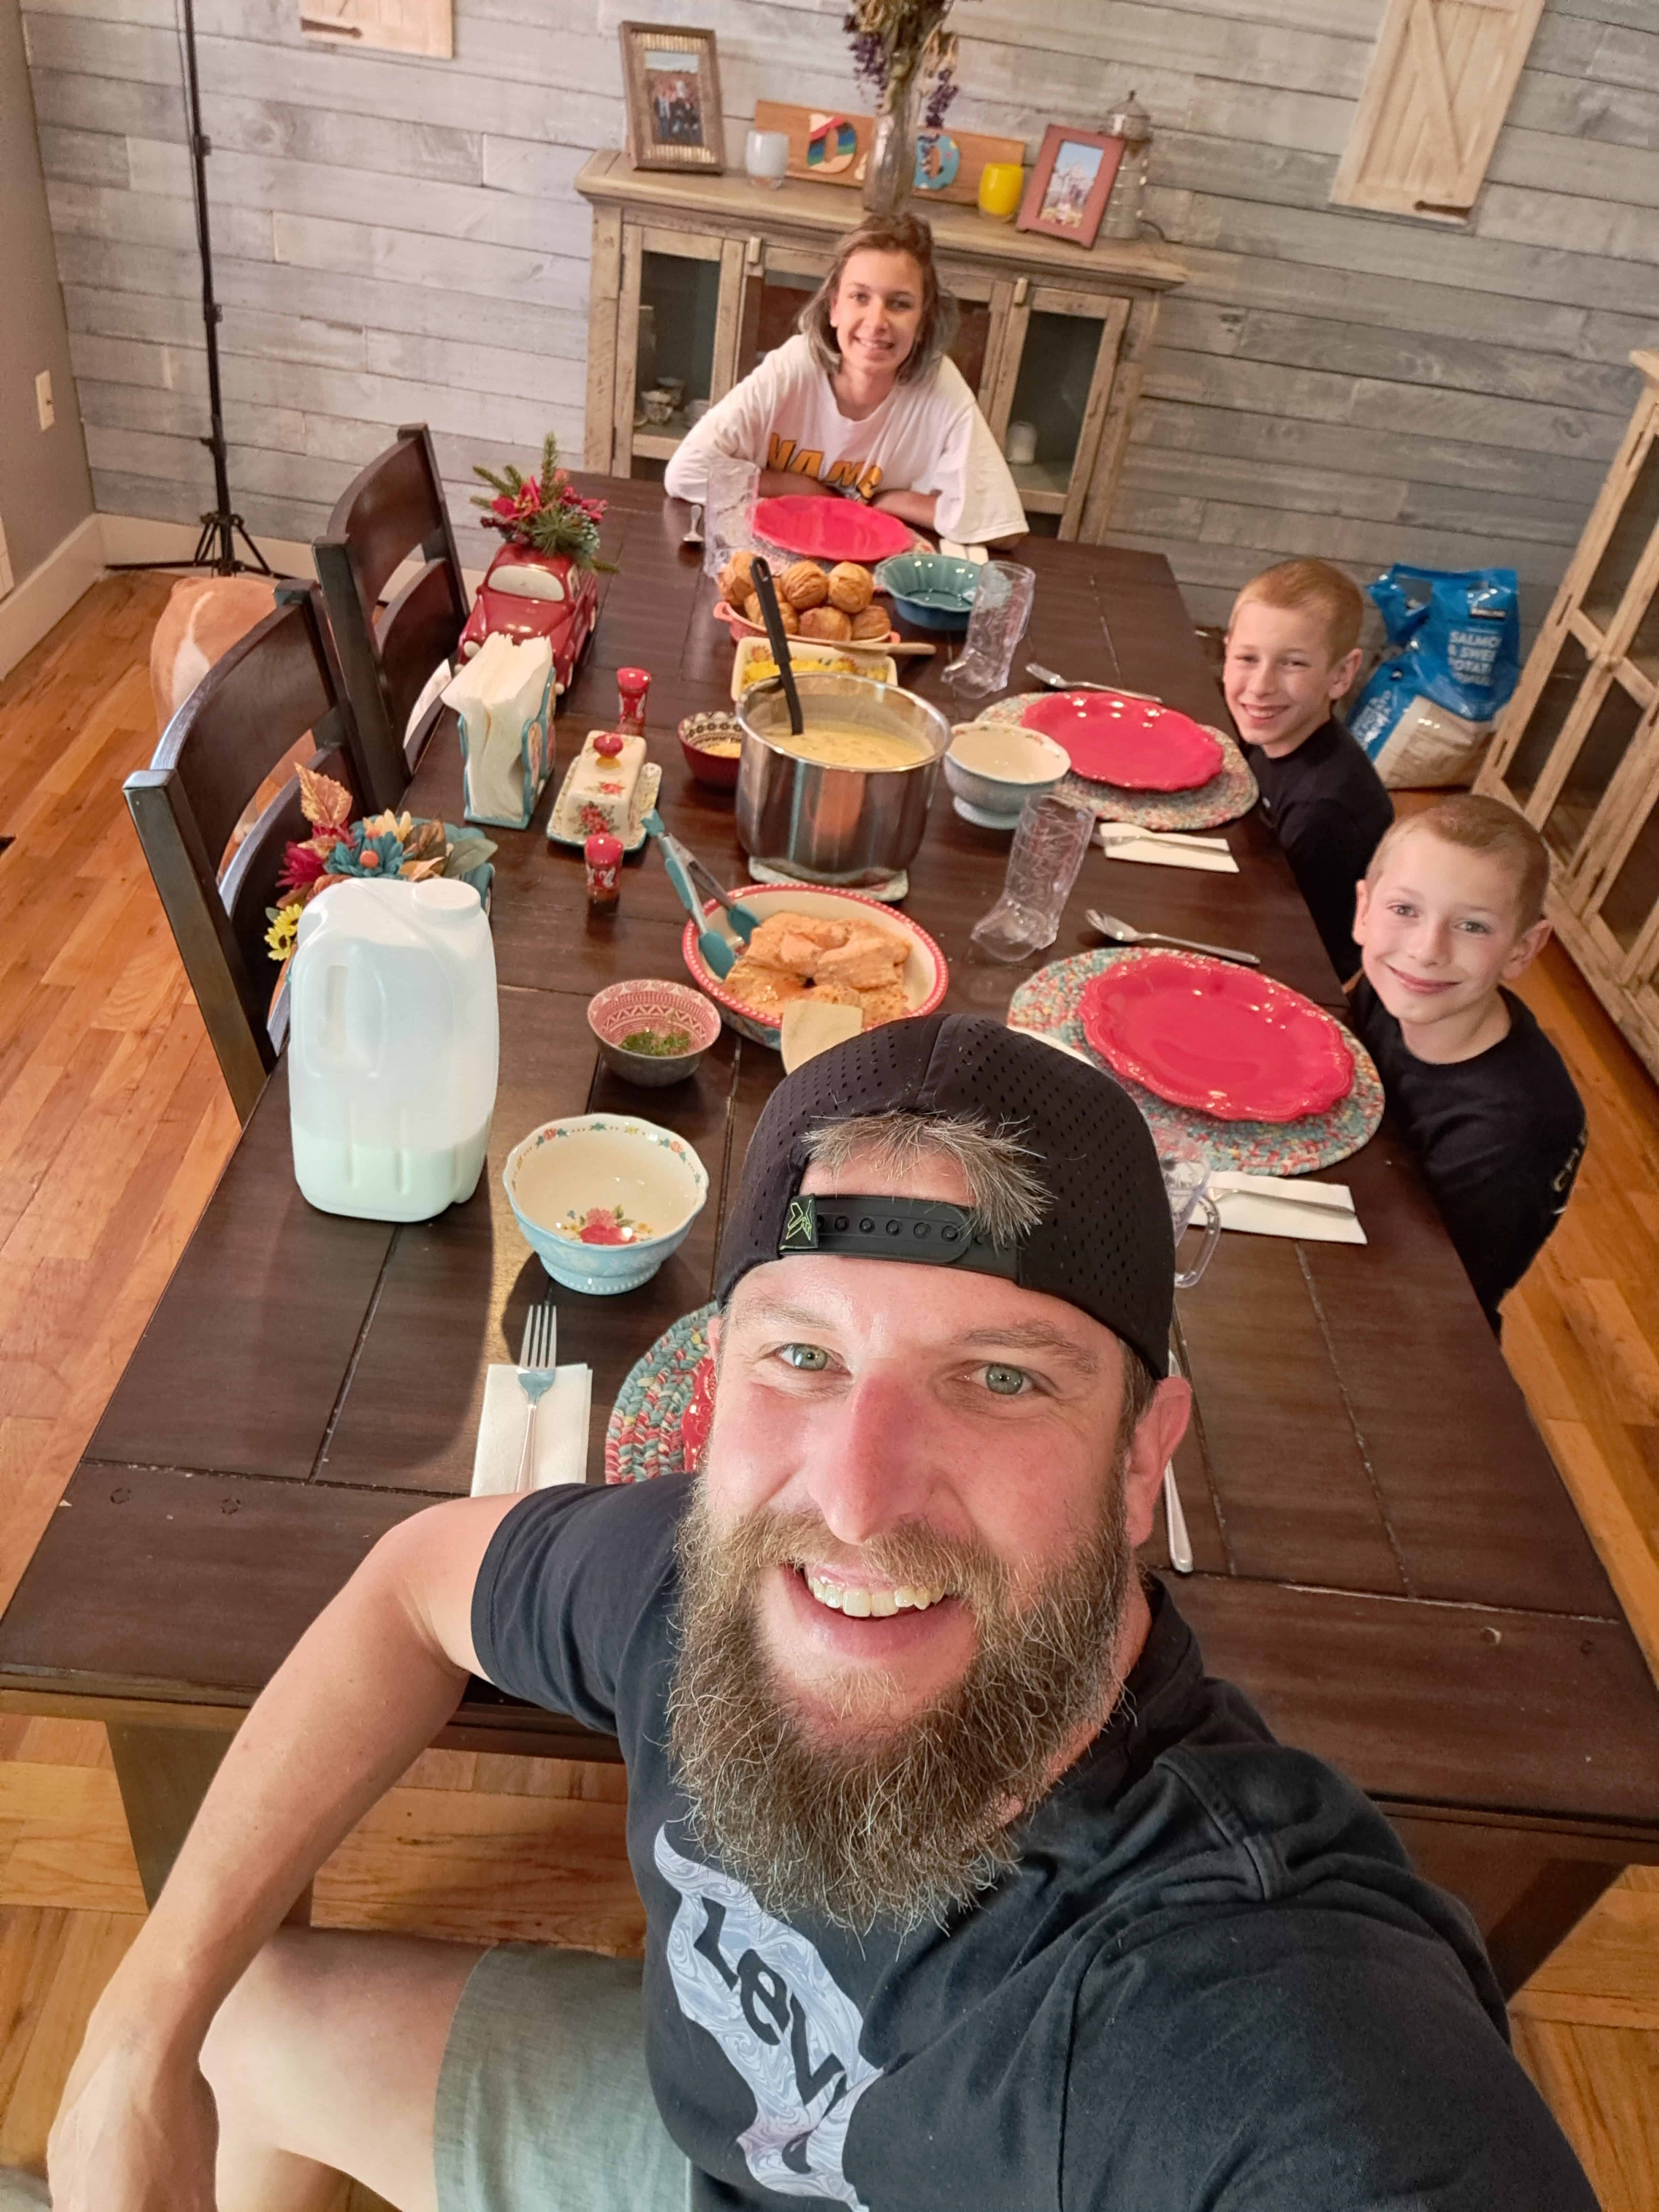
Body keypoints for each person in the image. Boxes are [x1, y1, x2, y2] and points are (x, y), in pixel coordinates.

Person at [49, 1018, 1596, 2212]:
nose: (853, 1502)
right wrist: (136, 2021)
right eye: (801, 1359)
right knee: (231, 2023)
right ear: (716, 1388)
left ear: (1142, 1462)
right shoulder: (696, 1582)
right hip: (691, 2153)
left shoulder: (1238, 2005)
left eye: (996, 1379)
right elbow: (406, 1587)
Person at [1352, 795, 1586, 1333]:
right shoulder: (1391, 989)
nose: (1427, 950)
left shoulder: (1514, 1130)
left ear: (1524, 950)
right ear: (1364, 912)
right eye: (1405, 911)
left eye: (1473, 927)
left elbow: (1428, 1291)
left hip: (1419, 1326)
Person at [662, 213, 1027, 546]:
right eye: (860, 297)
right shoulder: (795, 366)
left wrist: (891, 502)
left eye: (900, 304)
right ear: (835, 307)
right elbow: (687, 473)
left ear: (923, 321)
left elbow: (1004, 529)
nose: (877, 321)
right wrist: (804, 488)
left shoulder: (939, 383)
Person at [1225, 557, 1393, 984]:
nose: (1261, 686)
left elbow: (1286, 947)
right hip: (1253, 899)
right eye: (1247, 658)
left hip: (1290, 971)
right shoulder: (1271, 733)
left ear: (1340, 676)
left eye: (1293, 664)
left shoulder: (1325, 810)